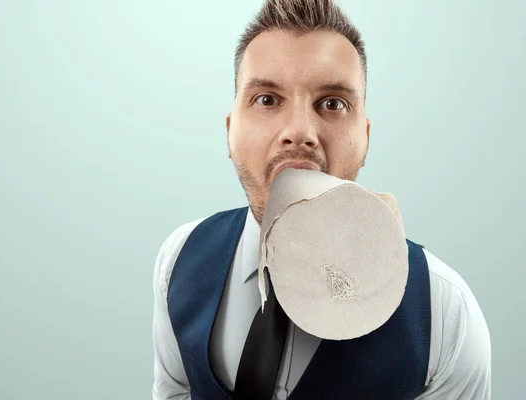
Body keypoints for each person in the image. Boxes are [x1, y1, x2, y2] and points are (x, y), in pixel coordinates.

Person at [151, 0, 492, 398]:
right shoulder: (178, 260)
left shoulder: (445, 314)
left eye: (332, 104)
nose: (299, 132)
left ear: (366, 138)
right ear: (230, 132)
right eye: (267, 99)